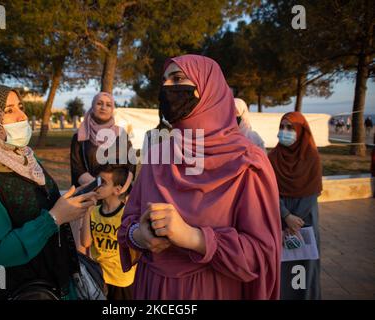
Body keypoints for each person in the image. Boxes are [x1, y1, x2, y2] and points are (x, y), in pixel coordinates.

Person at [118, 54, 281, 300]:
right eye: (164, 81)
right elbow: (128, 221)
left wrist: (195, 238)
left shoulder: (247, 161)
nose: (166, 88)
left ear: (209, 90)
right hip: (151, 288)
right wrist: (139, 236)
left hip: (212, 289)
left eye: (178, 79)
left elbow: (261, 255)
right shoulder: (157, 155)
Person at [0, 84, 97, 300]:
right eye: (8, 111)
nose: (21, 116)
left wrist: (75, 202)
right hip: (20, 290)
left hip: (55, 276)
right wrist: (54, 218)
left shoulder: (27, 159)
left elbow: (44, 203)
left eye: (20, 106)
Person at [70, 92, 135, 253]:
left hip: (115, 198)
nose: (103, 107)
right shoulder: (79, 136)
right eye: (99, 103)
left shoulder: (121, 134)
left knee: (112, 245)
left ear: (113, 109)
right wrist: (99, 186)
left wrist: (119, 191)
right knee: (85, 245)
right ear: (92, 106)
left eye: (108, 104)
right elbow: (77, 167)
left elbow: (131, 165)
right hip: (89, 197)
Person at [268, 111, 322, 300]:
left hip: (304, 221)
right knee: (283, 268)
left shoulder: (312, 158)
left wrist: (294, 221)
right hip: (280, 220)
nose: (284, 131)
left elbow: (311, 193)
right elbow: (268, 190)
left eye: (290, 128)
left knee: (304, 267)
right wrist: (286, 216)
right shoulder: (273, 157)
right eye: (282, 127)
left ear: (301, 131)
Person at [80, 164, 135, 300]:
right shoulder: (93, 212)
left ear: (117, 190)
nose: (97, 186)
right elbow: (86, 243)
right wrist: (86, 211)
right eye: (97, 181)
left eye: (103, 182)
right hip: (99, 276)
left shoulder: (126, 215)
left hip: (121, 280)